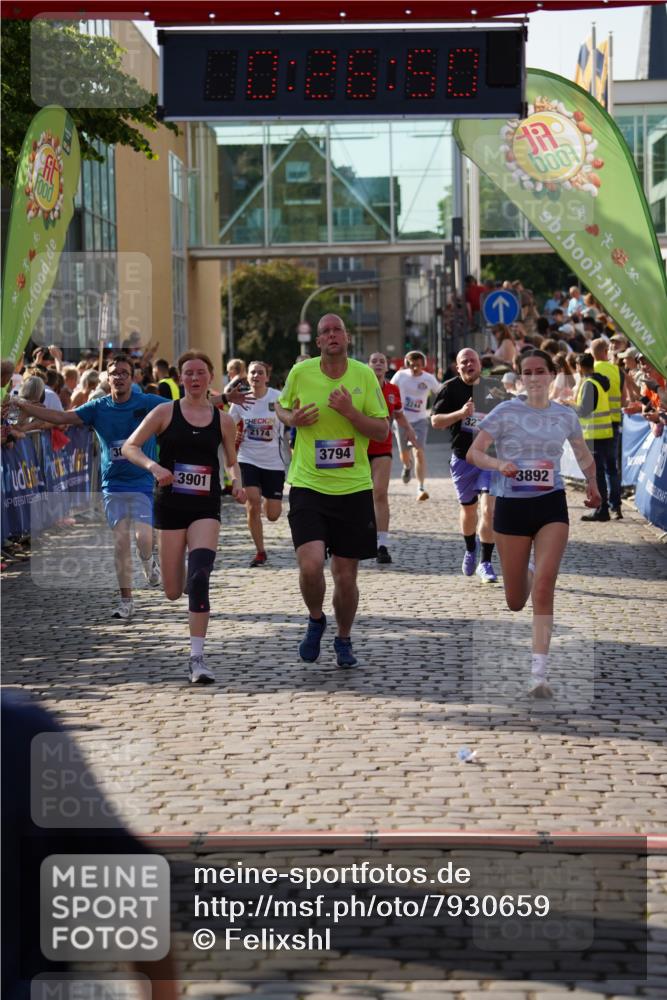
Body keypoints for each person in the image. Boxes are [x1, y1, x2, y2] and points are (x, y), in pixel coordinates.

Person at [467, 349, 601, 697]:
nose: (534, 377)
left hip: (550, 505)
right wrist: (499, 465)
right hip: (511, 508)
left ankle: (538, 675)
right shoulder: (505, 411)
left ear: (552, 374)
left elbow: (583, 453)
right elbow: (474, 452)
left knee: (544, 587)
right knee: (515, 600)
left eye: (541, 370)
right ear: (520, 378)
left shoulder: (565, 414)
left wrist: (592, 483)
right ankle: (527, 568)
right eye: (527, 372)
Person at [122, 351, 246, 685]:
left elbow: (231, 460)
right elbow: (130, 447)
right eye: (188, 373)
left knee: (200, 576)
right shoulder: (165, 412)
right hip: (171, 506)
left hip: (206, 506)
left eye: (200, 372)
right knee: (173, 591)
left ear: (210, 377)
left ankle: (197, 658)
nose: (194, 378)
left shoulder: (223, 420)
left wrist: (237, 483)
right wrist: (154, 467)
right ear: (181, 378)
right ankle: (173, 569)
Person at [275, 314, 388, 668]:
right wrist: (292, 419)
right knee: (310, 565)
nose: (332, 335)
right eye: (326, 331)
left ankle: (343, 637)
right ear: (319, 341)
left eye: (338, 329)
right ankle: (315, 618)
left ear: (347, 337)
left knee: (345, 576)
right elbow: (280, 406)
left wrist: (351, 412)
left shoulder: (363, 375)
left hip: (353, 489)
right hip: (308, 484)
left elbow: (382, 431)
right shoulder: (301, 372)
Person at [14, 354, 164, 618]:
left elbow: (183, 408)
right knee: (120, 542)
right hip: (113, 484)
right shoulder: (98, 407)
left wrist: (223, 400)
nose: (119, 377)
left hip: (141, 481)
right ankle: (126, 601)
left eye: (124, 373)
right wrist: (22, 405)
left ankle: (148, 561)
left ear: (132, 378)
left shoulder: (148, 403)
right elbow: (60, 417)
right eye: (114, 373)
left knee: (143, 539)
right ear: (108, 378)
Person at [431, 348, 506, 583]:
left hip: (489, 457)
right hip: (463, 458)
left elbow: (508, 414)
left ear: (480, 365)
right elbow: (435, 421)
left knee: (489, 510)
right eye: (464, 362)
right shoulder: (449, 388)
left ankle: (485, 562)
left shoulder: (494, 386)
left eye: (472, 360)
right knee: (469, 510)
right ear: (457, 367)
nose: (469, 364)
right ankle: (470, 548)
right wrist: (460, 414)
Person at [229, 360, 286, 567]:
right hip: (248, 458)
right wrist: (233, 437)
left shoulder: (278, 398)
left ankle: (266, 502)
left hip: (273, 462)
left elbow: (290, 419)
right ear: (248, 376)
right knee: (252, 502)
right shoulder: (241, 400)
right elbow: (228, 424)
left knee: (273, 515)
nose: (256, 376)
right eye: (253, 372)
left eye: (260, 373)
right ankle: (260, 551)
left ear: (267, 377)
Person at [367, 352, 418, 565]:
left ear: (387, 367)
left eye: (382, 361)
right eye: (374, 361)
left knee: (380, 493)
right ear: (368, 366)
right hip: (359, 447)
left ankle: (382, 545)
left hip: (382, 446)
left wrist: (409, 429)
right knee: (358, 496)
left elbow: (398, 414)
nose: (378, 364)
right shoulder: (360, 387)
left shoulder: (393, 390)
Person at [566, 352, 615, 523]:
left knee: (597, 473)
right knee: (602, 472)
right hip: (603, 433)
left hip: (594, 435)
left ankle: (602, 509)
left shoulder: (589, 383)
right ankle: (604, 508)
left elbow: (584, 410)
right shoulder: (599, 382)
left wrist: (569, 404)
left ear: (579, 366)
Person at [390, 350, 441, 500]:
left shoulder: (428, 378)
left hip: (420, 421)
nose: (415, 368)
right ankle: (407, 466)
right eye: (412, 365)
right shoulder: (400, 376)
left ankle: (420, 487)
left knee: (419, 452)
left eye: (418, 365)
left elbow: (440, 391)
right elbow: (389, 391)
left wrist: (438, 409)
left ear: (423, 364)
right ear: (407, 364)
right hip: (401, 420)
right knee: (404, 454)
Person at [590, 337, 623, 518]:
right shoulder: (616, 370)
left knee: (599, 469)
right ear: (605, 352)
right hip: (614, 422)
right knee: (612, 467)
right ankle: (616, 507)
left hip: (596, 426)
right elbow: (624, 398)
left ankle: (602, 508)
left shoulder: (590, 370)